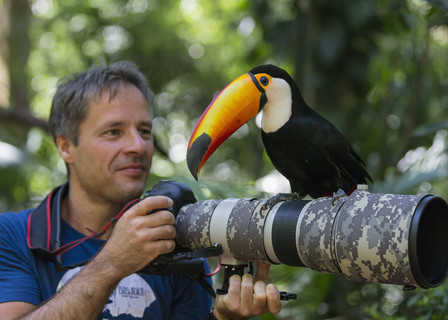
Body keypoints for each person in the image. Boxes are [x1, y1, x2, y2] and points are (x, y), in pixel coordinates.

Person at [0, 61, 282, 319]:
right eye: (113, 132)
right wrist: (112, 263)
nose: (137, 146)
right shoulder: (12, 235)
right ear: (65, 146)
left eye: (145, 131)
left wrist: (223, 317)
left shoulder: (175, 236)